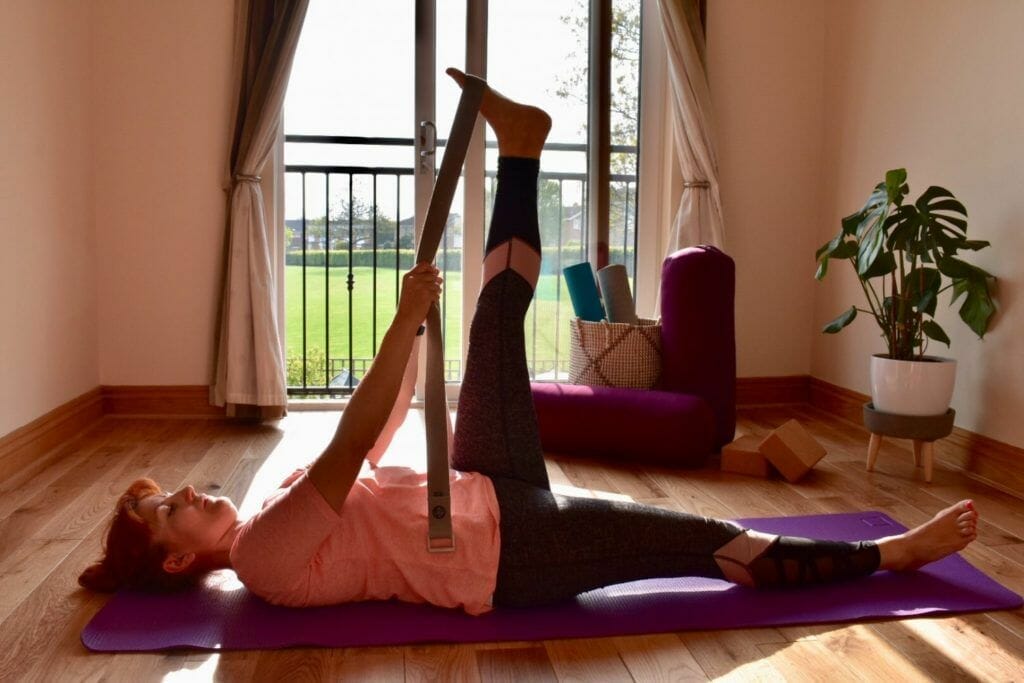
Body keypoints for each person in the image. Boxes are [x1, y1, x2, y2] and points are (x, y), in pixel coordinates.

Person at [79, 69, 980, 615]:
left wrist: (419, 338)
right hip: (508, 556)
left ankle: (520, 147)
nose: (190, 490)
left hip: (474, 485)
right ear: (176, 556)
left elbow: (381, 434)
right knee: (704, 541)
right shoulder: (266, 559)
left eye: (173, 492)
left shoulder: (268, 500)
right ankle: (887, 556)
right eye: (171, 510)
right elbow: (350, 440)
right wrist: (398, 323)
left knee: (489, 321)